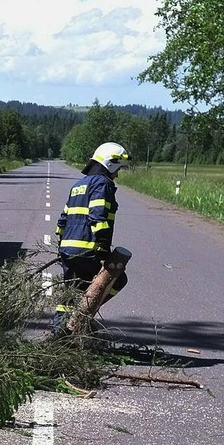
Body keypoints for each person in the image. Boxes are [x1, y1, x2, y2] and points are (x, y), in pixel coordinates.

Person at [52, 142, 130, 335]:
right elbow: (98, 215)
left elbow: (62, 220)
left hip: (68, 250)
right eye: (118, 169)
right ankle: (80, 319)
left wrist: (61, 248)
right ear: (110, 164)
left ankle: (59, 333)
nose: (117, 175)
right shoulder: (103, 184)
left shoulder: (78, 185)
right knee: (117, 280)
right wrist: (103, 247)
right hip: (88, 249)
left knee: (71, 291)